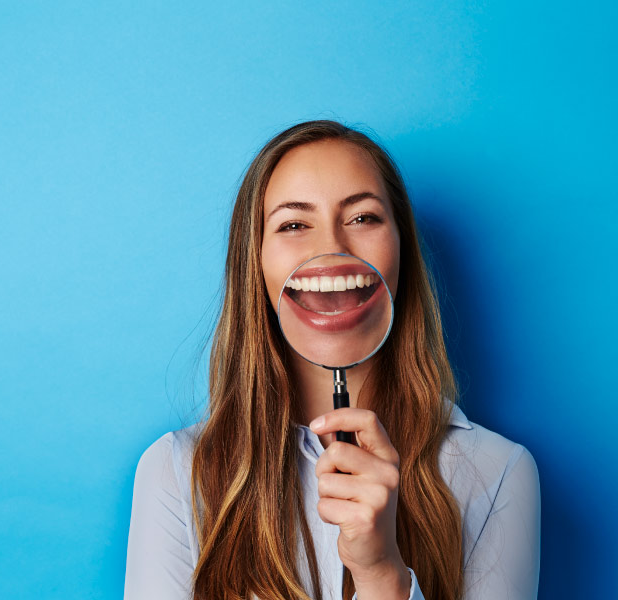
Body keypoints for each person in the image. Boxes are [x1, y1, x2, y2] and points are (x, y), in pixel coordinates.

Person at [124, 121, 541, 600]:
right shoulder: (178, 472)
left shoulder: (499, 472)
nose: (332, 251)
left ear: (401, 249)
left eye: (363, 218)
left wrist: (382, 572)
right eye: (294, 224)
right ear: (255, 262)